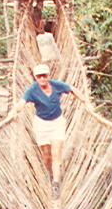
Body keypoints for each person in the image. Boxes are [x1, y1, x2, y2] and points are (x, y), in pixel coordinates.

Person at [22, 63, 87, 198]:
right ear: (35, 77)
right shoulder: (32, 91)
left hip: (57, 123)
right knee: (47, 156)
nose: (42, 79)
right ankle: (51, 175)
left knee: (56, 154)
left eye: (44, 76)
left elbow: (71, 89)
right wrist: (13, 114)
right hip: (41, 125)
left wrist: (85, 101)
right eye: (39, 76)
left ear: (48, 76)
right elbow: (21, 103)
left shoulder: (56, 85)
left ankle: (56, 184)